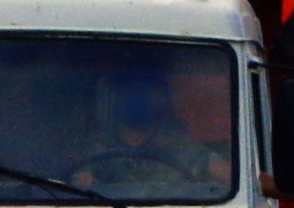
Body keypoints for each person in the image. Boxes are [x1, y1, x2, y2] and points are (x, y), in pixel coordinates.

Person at [66, 73, 232, 189]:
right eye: (130, 94)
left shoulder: (181, 147)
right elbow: (72, 182)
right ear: (117, 101)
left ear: (160, 101)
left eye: (144, 94)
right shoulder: (92, 146)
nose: (137, 101)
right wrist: (82, 182)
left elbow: (228, 178)